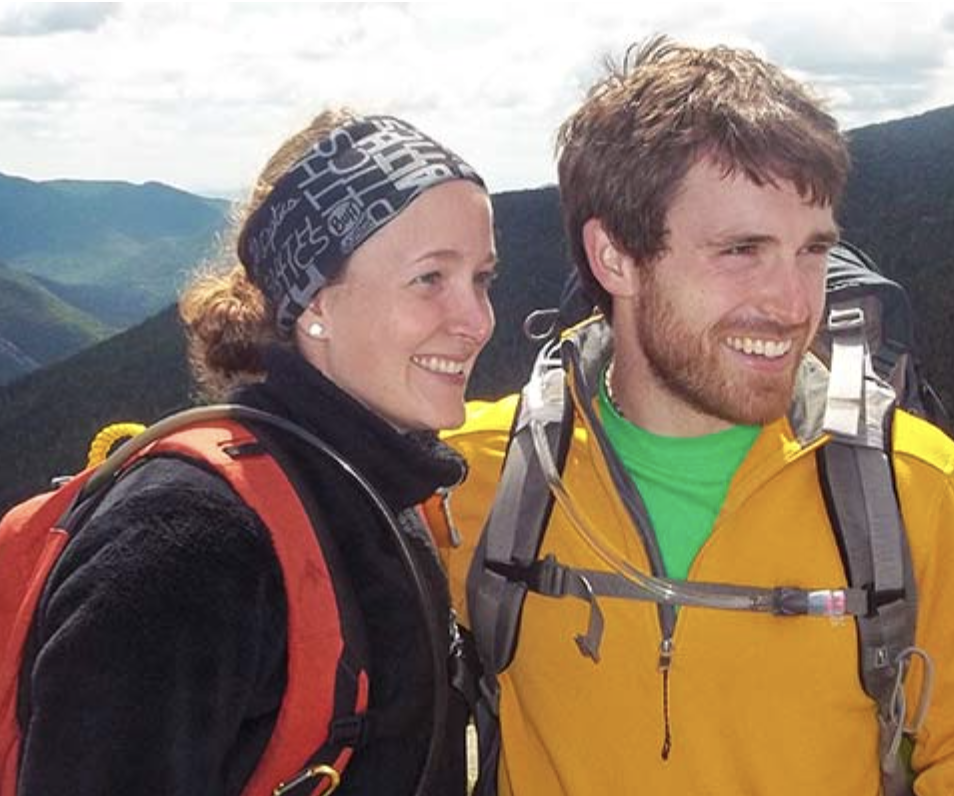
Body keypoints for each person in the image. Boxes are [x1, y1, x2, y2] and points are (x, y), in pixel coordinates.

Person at [443, 37, 954, 795]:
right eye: (741, 250)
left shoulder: (914, 490)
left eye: (812, 251)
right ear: (615, 257)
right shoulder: (474, 478)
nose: (794, 304)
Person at [15, 110, 497, 795]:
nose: (478, 321)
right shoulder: (188, 545)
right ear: (315, 303)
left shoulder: (373, 490)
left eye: (482, 278)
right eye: (430, 278)